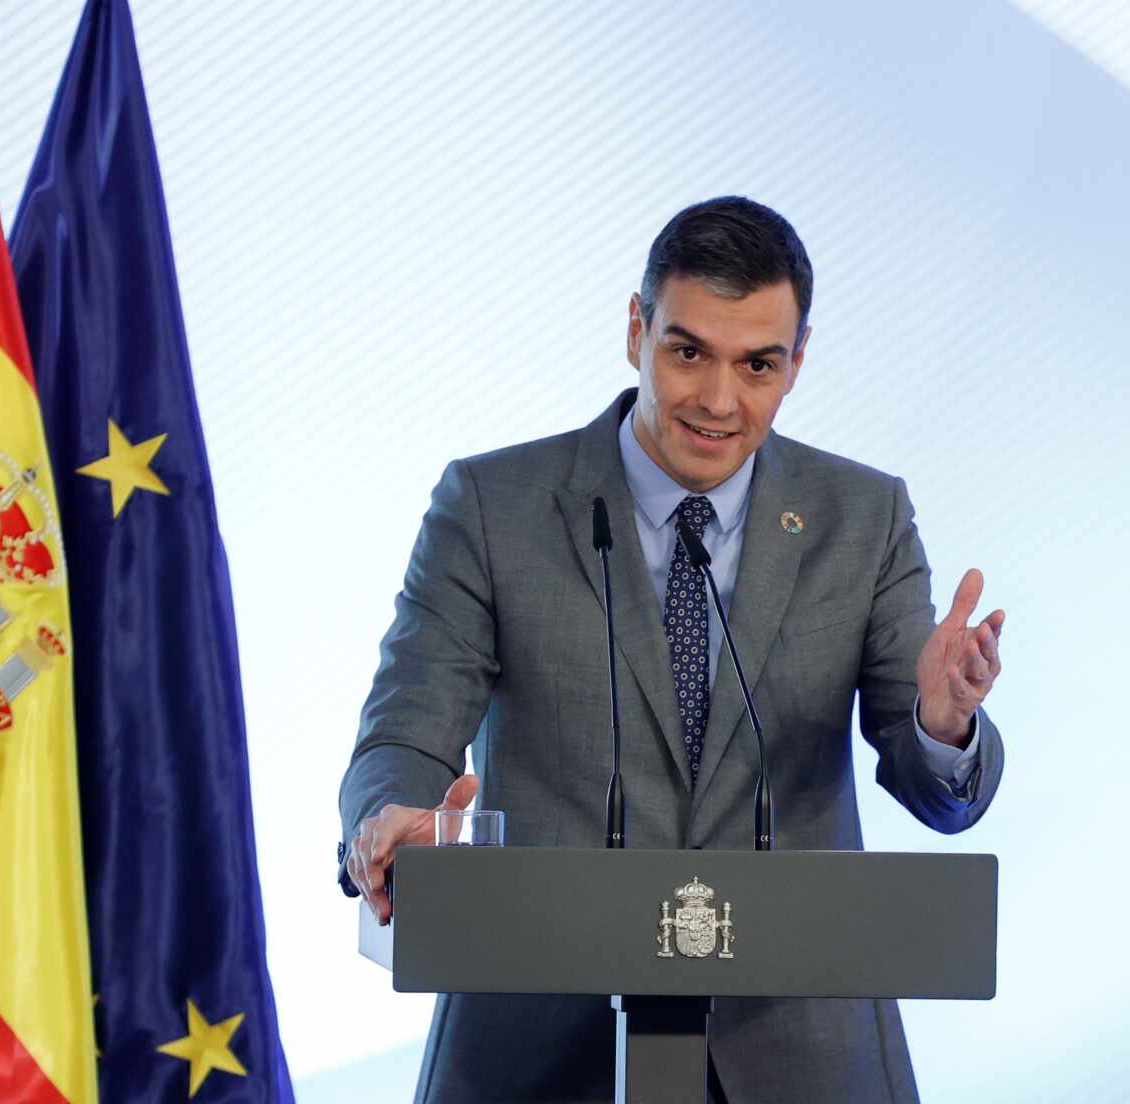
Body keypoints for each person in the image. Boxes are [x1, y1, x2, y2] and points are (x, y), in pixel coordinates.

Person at [336, 196, 1005, 1104]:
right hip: (536, 1050)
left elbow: (938, 793)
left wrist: (940, 722)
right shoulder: (494, 507)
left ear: (797, 363)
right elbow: (402, 740)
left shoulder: (865, 519)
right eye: (688, 352)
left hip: (805, 1056)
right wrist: (397, 820)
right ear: (636, 330)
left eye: (758, 364)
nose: (718, 400)